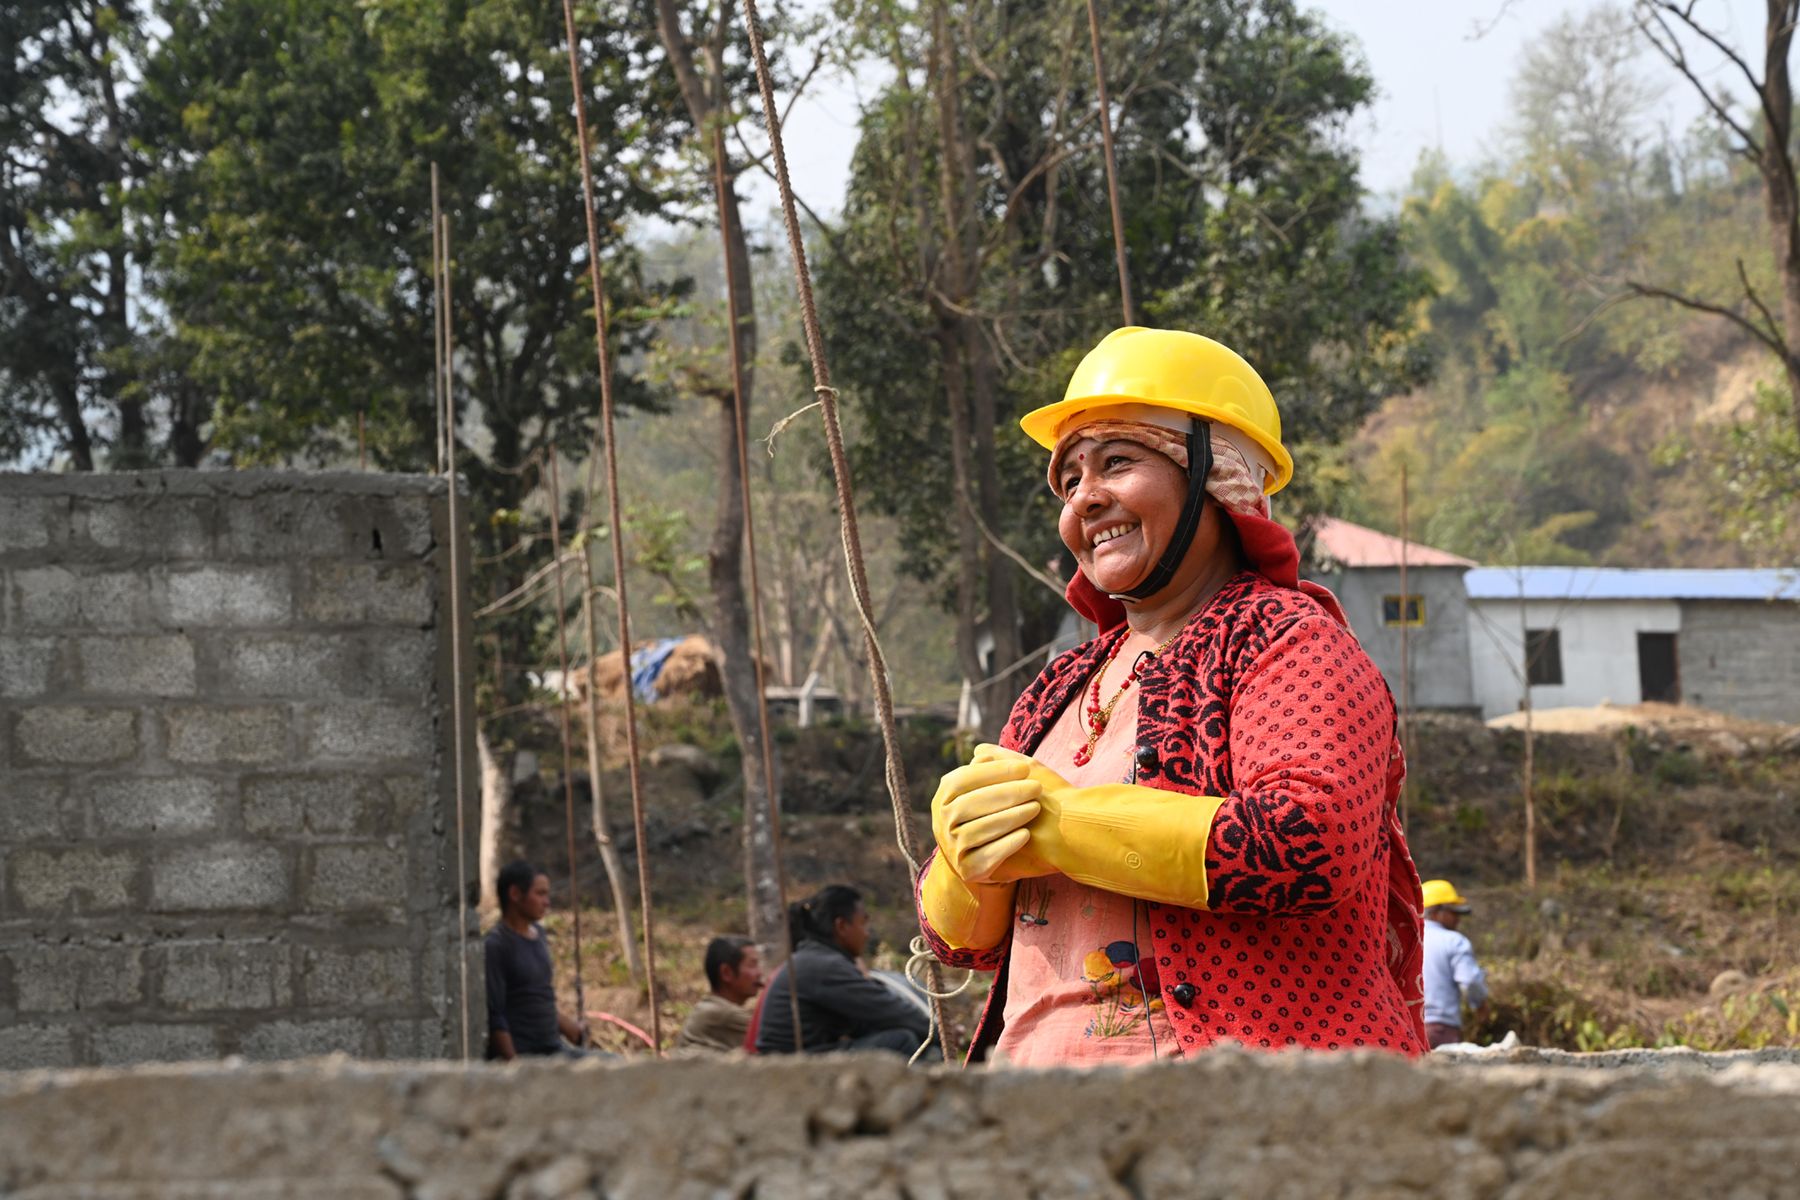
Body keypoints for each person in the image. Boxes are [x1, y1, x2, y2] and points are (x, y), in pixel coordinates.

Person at [915, 327, 1429, 1064]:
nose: (1085, 499)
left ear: (1215, 478)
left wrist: (1064, 824)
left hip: (1238, 1115)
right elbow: (959, 945)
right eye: (1068, 481)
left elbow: (1310, 840)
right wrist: (962, 863)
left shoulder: (1287, 640)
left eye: (1117, 462)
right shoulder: (1059, 685)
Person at [752, 885, 932, 1057]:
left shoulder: (816, 959)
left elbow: (870, 1017)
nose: (866, 934)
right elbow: (887, 1009)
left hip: (799, 1056)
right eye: (863, 923)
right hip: (789, 1067)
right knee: (901, 1041)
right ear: (842, 926)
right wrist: (938, 1031)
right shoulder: (824, 965)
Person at [484, 860, 591, 1060]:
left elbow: (537, 997)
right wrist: (513, 1065)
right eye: (540, 894)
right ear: (515, 894)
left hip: (553, 1047)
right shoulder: (496, 945)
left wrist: (571, 1029)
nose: (547, 902)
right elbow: (495, 1014)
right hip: (527, 1054)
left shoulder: (538, 935)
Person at [1420, 878, 1488, 1049]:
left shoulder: (1405, 940)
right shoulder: (1454, 941)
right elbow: (1471, 981)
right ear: (1437, 912)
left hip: (1407, 1027)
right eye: (1453, 912)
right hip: (1441, 1029)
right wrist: (1480, 1005)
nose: (1457, 918)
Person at [672, 936, 764, 1056]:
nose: (759, 973)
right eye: (752, 965)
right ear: (726, 973)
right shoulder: (725, 1014)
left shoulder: (709, 1007)